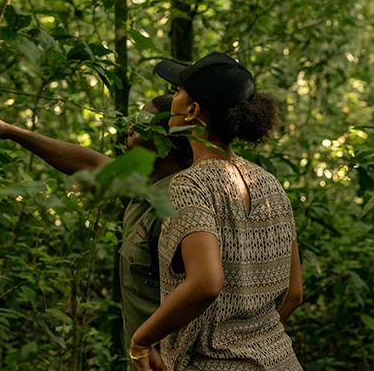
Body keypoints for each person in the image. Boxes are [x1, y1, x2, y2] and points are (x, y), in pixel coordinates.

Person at [0, 96, 193, 369]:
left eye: (141, 126)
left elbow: (205, 288)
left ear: (163, 145)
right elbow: (91, 165)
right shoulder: (146, 187)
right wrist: (9, 130)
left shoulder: (181, 206)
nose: (130, 130)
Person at [129, 53, 304, 371]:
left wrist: (140, 341)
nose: (173, 97)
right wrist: (253, 340)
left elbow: (206, 282)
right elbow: (294, 293)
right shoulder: (270, 184)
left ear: (192, 110)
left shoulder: (190, 185)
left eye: (178, 91)